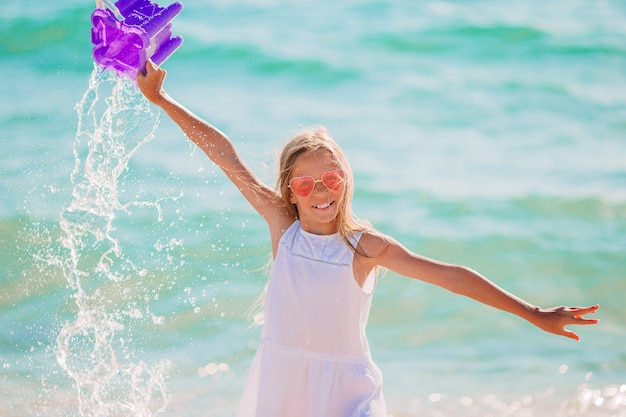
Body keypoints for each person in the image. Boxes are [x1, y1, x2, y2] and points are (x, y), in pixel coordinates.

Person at [136, 60, 599, 417]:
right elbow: (224, 153)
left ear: (345, 181)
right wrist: (162, 100)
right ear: (289, 193)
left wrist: (531, 313)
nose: (320, 192)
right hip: (287, 388)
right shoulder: (284, 228)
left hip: (349, 393)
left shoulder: (363, 246)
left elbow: (451, 277)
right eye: (305, 184)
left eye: (331, 179)